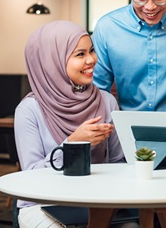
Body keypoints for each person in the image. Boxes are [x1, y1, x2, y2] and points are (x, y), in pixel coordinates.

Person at [14, 20, 134, 228]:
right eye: (80, 54)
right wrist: (72, 144)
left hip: (97, 203)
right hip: (44, 203)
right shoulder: (29, 110)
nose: (92, 60)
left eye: (92, 51)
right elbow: (31, 177)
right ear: (53, 61)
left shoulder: (106, 101)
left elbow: (118, 162)